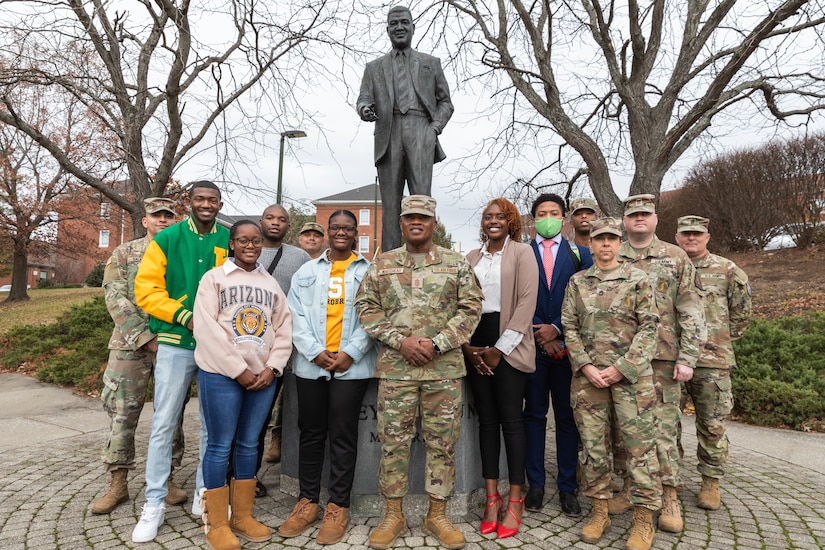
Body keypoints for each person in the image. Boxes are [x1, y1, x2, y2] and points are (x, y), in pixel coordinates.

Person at [355, 195, 482, 550]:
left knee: (443, 444)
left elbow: (471, 308)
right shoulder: (383, 264)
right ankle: (392, 514)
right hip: (397, 370)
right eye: (410, 217)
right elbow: (365, 308)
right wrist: (400, 341)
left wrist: (437, 343)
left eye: (423, 218)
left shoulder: (455, 264)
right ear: (400, 223)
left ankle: (436, 514)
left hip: (443, 370)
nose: (416, 223)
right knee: (393, 444)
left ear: (433, 222)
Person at [132, 181, 230, 543]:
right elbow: (147, 291)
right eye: (199, 199)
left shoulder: (229, 238)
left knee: (212, 425)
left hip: (217, 347)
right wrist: (185, 315)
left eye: (212, 200)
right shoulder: (167, 239)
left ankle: (205, 493)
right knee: (163, 422)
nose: (206, 204)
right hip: (176, 343)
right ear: (188, 203)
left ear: (220, 204)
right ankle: (154, 502)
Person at [561, 217, 661, 550]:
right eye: (599, 239)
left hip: (632, 380)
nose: (605, 244)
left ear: (621, 243)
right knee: (593, 448)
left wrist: (622, 368)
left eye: (611, 239)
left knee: (640, 449)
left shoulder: (638, 279)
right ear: (591, 244)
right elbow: (569, 327)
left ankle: (644, 519)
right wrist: (586, 366)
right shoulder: (577, 282)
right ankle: (599, 511)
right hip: (589, 380)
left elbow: (650, 329)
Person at [193, 220, 292, 550]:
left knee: (249, 444)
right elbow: (207, 330)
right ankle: (216, 523)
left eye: (256, 240)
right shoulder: (214, 279)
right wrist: (238, 370)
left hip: (262, 376)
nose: (250, 245)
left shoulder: (271, 284)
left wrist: (273, 367)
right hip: (221, 375)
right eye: (243, 240)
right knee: (220, 445)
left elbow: (283, 329)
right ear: (232, 243)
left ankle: (243, 515)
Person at [279, 210, 377, 545]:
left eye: (348, 228)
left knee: (343, 436)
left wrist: (351, 351)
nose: (341, 233)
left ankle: (338, 506)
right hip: (311, 366)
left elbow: (374, 316)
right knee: (310, 433)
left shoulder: (368, 272)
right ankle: (307, 502)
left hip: (352, 367)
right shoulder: (306, 271)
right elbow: (295, 315)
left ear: (354, 234)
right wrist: (314, 352)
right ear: (327, 231)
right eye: (335, 227)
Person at [609, 194, 706, 534]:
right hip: (622, 360)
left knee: (664, 432)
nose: (639, 219)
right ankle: (630, 488)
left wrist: (689, 357)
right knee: (625, 432)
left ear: (655, 219)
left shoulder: (676, 256)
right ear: (624, 220)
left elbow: (691, 309)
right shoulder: (613, 255)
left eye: (645, 214)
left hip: (662, 359)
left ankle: (669, 496)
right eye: (633, 214)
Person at [92, 197, 185, 515]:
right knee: (122, 413)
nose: (162, 220)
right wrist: (146, 337)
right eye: (156, 216)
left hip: (173, 343)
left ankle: (167, 479)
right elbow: (114, 296)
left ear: (174, 222)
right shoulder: (125, 252)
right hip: (130, 344)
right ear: (144, 220)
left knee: (172, 413)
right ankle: (118, 484)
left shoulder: (181, 254)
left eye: (167, 216)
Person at [463, 198, 538, 539]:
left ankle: (516, 499)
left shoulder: (522, 253)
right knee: (487, 421)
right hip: (475, 342)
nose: (494, 221)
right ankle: (491, 497)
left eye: (500, 216)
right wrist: (468, 345)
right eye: (488, 217)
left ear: (510, 221)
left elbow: (526, 304)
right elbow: (460, 302)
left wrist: (498, 350)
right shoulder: (472, 258)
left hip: (509, 343)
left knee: (512, 420)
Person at [357, 5, 454, 251]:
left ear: (412, 27)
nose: (399, 27)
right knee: (391, 203)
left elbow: (446, 103)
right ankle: (390, 259)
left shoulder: (431, 64)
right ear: (387, 29)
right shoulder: (374, 67)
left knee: (421, 201)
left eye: (404, 23)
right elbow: (363, 99)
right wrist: (365, 109)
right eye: (394, 24)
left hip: (421, 129)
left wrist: (433, 129)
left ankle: (422, 255)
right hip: (388, 134)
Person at [674, 215, 751, 511]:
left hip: (711, 362)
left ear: (707, 236)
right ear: (677, 237)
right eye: (686, 234)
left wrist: (717, 341)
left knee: (712, 423)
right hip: (672, 359)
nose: (691, 239)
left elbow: (741, 314)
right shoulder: (670, 267)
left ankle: (711, 480)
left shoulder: (728, 270)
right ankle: (672, 479)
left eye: (697, 234)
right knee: (668, 424)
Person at [523, 193, 592, 516]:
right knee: (534, 417)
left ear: (563, 218)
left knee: (567, 420)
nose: (547, 217)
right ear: (533, 219)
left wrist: (558, 329)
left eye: (553, 212)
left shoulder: (582, 255)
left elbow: (590, 301)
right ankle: (535, 485)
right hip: (531, 347)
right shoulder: (521, 253)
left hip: (568, 350)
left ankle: (568, 487)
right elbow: (513, 298)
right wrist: (540, 332)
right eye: (541, 213)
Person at [257, 205, 310, 480]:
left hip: (290, 344)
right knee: (258, 414)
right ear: (260, 221)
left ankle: (294, 469)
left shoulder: (299, 257)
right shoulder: (245, 251)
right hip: (253, 345)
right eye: (270, 218)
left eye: (282, 220)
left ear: (289, 227)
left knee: (294, 409)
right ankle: (247, 476)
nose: (275, 223)